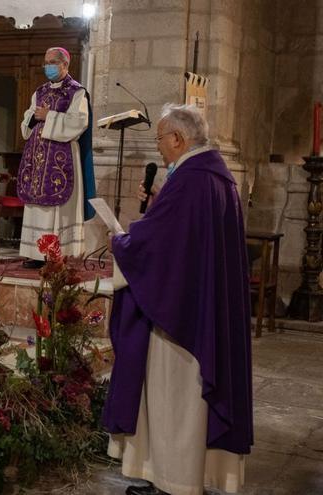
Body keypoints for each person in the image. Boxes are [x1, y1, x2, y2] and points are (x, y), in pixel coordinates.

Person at [103, 104, 253, 495]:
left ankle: (174, 483)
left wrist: (122, 243)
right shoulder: (216, 177)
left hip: (180, 319)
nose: (159, 147)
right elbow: (185, 235)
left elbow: (160, 244)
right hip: (203, 308)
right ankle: (175, 478)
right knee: (186, 403)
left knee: (174, 398)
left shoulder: (190, 180)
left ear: (178, 138)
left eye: (160, 139)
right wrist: (158, 200)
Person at [17, 46, 95, 269]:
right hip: (37, 159)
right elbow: (28, 120)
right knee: (36, 205)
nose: (47, 66)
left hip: (61, 159)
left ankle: (55, 254)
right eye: (46, 62)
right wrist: (33, 118)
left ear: (65, 64)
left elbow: (78, 123)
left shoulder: (76, 92)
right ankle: (35, 253)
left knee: (56, 206)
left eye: (52, 62)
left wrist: (48, 116)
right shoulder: (39, 92)